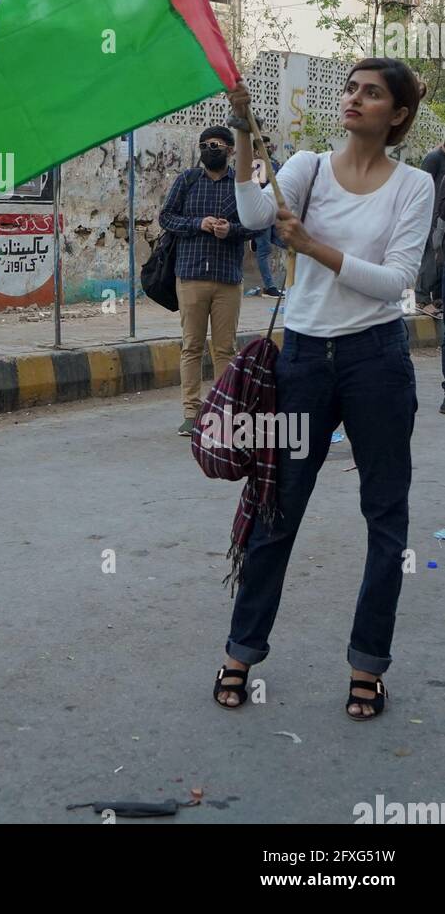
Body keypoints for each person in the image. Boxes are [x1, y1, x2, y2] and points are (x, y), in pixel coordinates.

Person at [216, 60, 432, 720]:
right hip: (302, 360)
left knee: (385, 517)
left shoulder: (412, 186)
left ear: (395, 114)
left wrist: (312, 248)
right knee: (277, 509)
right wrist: (245, 130)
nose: (353, 99)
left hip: (375, 359)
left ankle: (366, 664)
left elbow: (394, 281)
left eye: (370, 93)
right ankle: (239, 651)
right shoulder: (306, 167)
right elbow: (253, 209)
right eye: (350, 88)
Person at [160, 125, 257, 437]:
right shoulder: (187, 181)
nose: (208, 150)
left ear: (230, 150)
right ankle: (191, 412)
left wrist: (232, 230)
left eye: (215, 145)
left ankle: (223, 412)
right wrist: (196, 224)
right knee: (191, 346)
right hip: (190, 276)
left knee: (225, 349)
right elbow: (166, 217)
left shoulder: (241, 185)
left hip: (228, 278)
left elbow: (256, 224)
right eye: (204, 145)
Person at [251, 134, 286, 298]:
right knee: (264, 249)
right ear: (256, 150)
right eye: (264, 146)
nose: (268, 148)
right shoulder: (258, 165)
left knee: (286, 243)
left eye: (268, 145)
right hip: (263, 212)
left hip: (275, 212)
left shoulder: (274, 164)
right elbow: (257, 187)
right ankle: (270, 286)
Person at [417, 139, 445, 315]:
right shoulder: (434, 158)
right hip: (431, 217)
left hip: (441, 217)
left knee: (440, 260)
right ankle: (421, 298)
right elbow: (421, 187)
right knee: (430, 257)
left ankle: (436, 299)